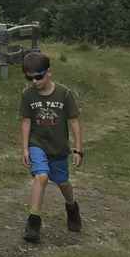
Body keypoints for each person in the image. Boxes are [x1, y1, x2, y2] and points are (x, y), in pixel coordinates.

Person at [20, 51, 83, 243]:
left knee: (63, 182)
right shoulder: (28, 94)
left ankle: (72, 207)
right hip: (37, 144)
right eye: (29, 77)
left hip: (59, 148)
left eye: (38, 76)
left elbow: (74, 122)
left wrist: (79, 148)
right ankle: (33, 221)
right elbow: (26, 122)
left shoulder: (64, 94)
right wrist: (24, 148)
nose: (34, 81)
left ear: (49, 73)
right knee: (41, 176)